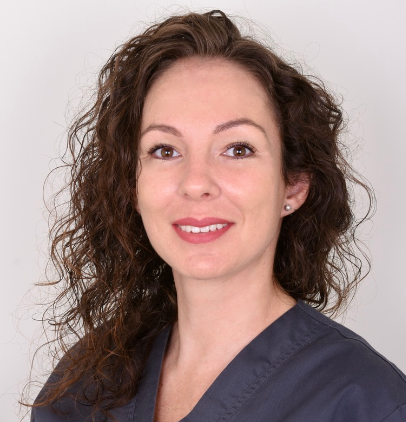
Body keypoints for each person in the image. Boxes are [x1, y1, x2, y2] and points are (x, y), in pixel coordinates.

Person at [27, 9, 406, 422]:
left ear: (294, 185)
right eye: (165, 150)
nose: (196, 183)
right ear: (132, 186)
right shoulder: (85, 386)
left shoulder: (367, 403)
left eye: (238, 149)